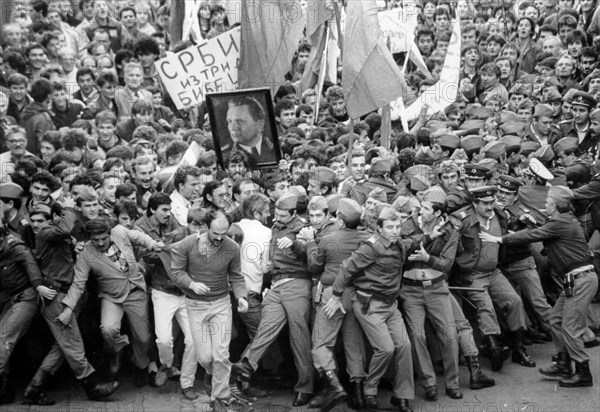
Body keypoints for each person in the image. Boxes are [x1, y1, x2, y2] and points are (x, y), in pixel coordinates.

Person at [325, 206, 442, 412]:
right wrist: (335, 296)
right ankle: (370, 390)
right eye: (390, 227)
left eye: (397, 226)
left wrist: (430, 236)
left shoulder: (398, 244)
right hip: (369, 305)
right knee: (386, 349)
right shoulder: (370, 247)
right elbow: (346, 268)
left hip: (391, 306)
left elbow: (412, 241)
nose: (395, 230)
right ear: (379, 228)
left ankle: (402, 396)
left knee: (404, 346)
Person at [481, 186, 598, 388]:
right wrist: (534, 223)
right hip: (577, 280)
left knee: (570, 327)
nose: (545, 205)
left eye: (547, 203)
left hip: (580, 280)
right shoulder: (564, 219)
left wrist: (499, 239)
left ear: (555, 205)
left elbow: (532, 236)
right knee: (555, 319)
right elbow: (543, 230)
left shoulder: (561, 222)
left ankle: (582, 371)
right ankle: (563, 360)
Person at [24, 202, 119, 405]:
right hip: (56, 295)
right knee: (73, 345)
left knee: (62, 346)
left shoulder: (54, 234)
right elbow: (65, 227)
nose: (36, 224)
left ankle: (35, 388)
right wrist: (67, 208)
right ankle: (92, 386)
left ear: (50, 218)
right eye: (33, 220)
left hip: (63, 294)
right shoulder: (47, 232)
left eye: (41, 220)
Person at [59, 218, 164, 386]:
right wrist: (68, 308)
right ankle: (117, 351)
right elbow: (78, 283)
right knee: (108, 329)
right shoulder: (86, 255)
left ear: (110, 233)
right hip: (111, 296)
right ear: (89, 239)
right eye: (95, 240)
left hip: (135, 291)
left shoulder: (120, 232)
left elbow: (138, 236)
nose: (100, 243)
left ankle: (140, 364)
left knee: (143, 337)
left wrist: (152, 244)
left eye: (104, 238)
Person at [233, 193, 314, 407]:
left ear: (294, 213)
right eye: (275, 214)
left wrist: (298, 244)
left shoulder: (303, 227)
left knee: (299, 337)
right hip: (276, 285)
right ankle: (246, 365)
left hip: (297, 284)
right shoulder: (276, 227)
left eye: (282, 215)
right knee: (265, 328)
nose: (276, 218)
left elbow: (314, 257)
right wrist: (267, 268)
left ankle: (305, 387)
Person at [170, 210, 249, 411]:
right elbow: (176, 273)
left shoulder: (232, 247)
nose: (220, 238)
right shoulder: (187, 244)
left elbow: (237, 277)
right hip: (195, 305)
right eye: (215, 233)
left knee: (221, 354)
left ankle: (219, 399)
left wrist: (241, 297)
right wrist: (192, 284)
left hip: (221, 304)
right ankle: (212, 374)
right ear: (205, 227)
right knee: (205, 357)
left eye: (224, 233)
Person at [452, 186, 535, 371]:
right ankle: (493, 349)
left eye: (491, 202)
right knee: (485, 306)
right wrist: (460, 269)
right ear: (474, 203)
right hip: (473, 274)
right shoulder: (463, 219)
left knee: (514, 301)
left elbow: (508, 225)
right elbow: (451, 244)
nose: (490, 206)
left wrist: (519, 220)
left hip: (494, 271)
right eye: (485, 203)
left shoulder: (499, 214)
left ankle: (518, 348)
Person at [400, 187, 463, 401]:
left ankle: (453, 382)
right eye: (420, 207)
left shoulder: (450, 230)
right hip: (410, 289)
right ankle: (429, 383)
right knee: (417, 335)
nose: (420, 212)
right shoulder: (407, 225)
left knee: (450, 336)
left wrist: (427, 258)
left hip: (437, 288)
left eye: (426, 209)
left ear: (437, 213)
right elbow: (401, 250)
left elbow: (446, 264)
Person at [307, 198, 370, 410]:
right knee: (354, 345)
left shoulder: (328, 238)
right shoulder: (368, 237)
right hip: (356, 295)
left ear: (340, 220)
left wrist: (309, 242)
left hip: (332, 294)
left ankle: (335, 388)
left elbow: (315, 267)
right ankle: (359, 396)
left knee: (321, 344)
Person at [221, 96, 277, 167]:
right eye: (230, 121)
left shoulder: (275, 149)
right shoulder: (224, 156)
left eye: (240, 121)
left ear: (260, 125)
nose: (232, 127)